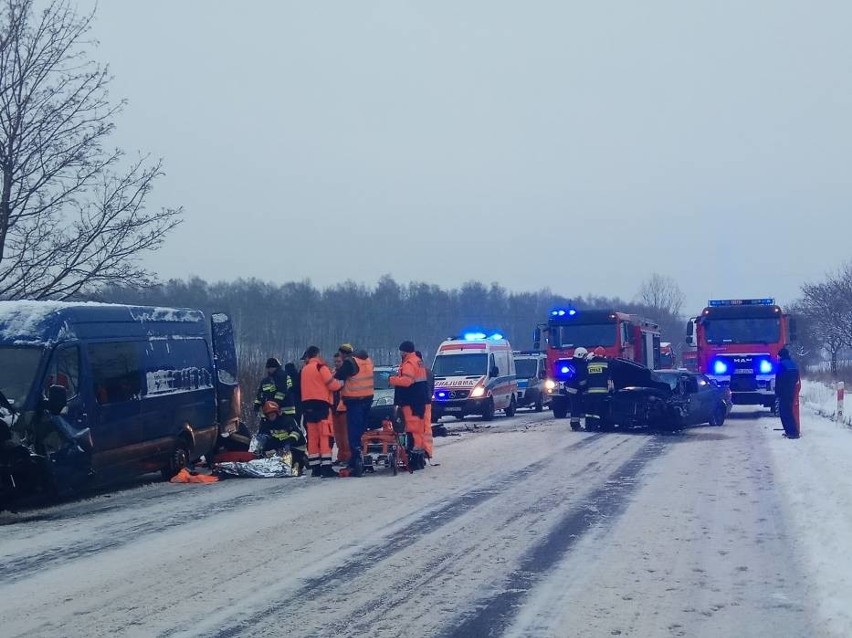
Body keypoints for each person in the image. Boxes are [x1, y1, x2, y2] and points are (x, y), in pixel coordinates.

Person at [300, 346, 343, 476]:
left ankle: (315, 467)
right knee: (325, 435)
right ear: (317, 354)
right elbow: (332, 385)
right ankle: (326, 467)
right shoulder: (321, 367)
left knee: (312, 437)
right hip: (322, 405)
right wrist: (341, 383)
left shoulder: (304, 369)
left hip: (307, 406)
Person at [336, 345, 375, 477]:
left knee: (354, 432)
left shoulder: (350, 362)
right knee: (362, 430)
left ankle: (356, 461)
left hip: (355, 401)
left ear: (343, 354)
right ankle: (363, 456)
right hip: (368, 399)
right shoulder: (367, 360)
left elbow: (339, 376)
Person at [390, 340, 428, 451]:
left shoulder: (409, 363)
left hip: (410, 401)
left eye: (401, 351)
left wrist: (392, 380)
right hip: (418, 400)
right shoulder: (418, 361)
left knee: (412, 426)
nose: (400, 353)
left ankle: (414, 451)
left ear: (404, 352)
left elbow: (407, 381)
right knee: (419, 426)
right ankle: (419, 451)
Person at [258, 400, 308, 475]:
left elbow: (296, 433)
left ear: (277, 413)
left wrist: (288, 443)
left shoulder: (287, 420)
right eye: (269, 416)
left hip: (295, 446)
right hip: (281, 447)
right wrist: (262, 442)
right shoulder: (266, 423)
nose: (271, 417)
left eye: (273, 415)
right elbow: (263, 434)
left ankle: (302, 459)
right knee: (264, 449)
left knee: (293, 467)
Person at [775, 347, 801, 439]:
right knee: (789, 412)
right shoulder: (793, 364)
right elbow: (797, 377)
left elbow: (779, 379)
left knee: (784, 413)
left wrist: (777, 393)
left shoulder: (781, 365)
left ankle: (792, 432)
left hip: (784, 391)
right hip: (792, 390)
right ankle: (792, 431)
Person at [584, 349, 611, 431]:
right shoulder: (606, 363)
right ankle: (597, 426)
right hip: (602, 391)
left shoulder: (589, 363)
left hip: (590, 391)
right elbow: (609, 376)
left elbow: (585, 376)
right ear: (603, 355)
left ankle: (588, 427)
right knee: (599, 410)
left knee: (589, 410)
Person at [415, 351, 434, 459]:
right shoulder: (428, 371)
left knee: (417, 427)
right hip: (427, 402)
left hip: (418, 403)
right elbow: (432, 388)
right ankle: (427, 450)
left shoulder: (416, 371)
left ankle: (420, 449)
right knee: (426, 427)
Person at [565, 347, 589, 431]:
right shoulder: (580, 366)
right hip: (575, 389)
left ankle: (575, 424)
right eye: (584, 356)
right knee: (576, 407)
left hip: (570, 388)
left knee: (575, 406)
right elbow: (581, 380)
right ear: (580, 355)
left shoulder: (572, 364)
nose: (585, 358)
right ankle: (575, 425)